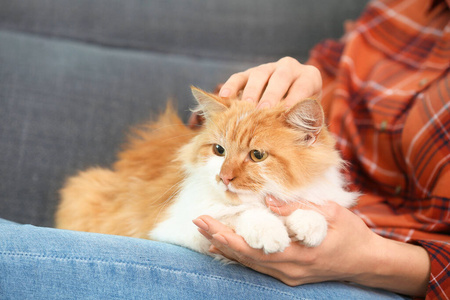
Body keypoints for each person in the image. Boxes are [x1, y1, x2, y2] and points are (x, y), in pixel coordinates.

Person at [0, 0, 448, 299]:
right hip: (284, 157)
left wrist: (371, 261)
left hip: (371, 270)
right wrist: (300, 76)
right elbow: (304, 95)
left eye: (250, 161)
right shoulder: (405, 8)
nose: (227, 175)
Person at [192, 0, 450, 298]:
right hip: (290, 206)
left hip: (388, 278)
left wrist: (370, 259)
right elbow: (216, 131)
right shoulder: (402, 7)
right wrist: (267, 87)